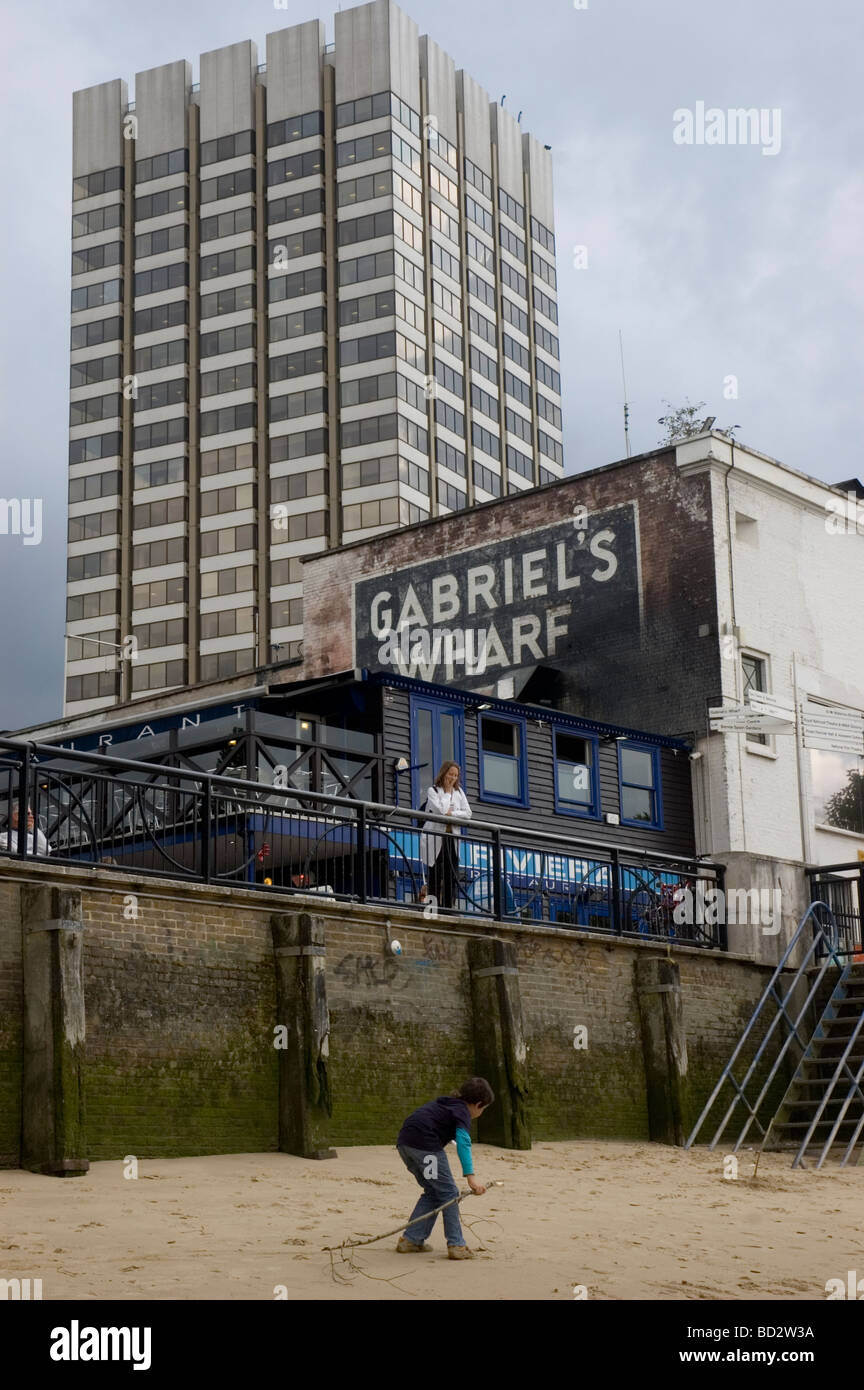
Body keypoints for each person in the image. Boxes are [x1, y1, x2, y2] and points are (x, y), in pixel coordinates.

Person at [395, 1077, 494, 1259]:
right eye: (484, 1109)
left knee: (434, 1191)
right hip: (425, 1148)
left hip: (405, 1145)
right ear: (478, 1104)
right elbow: (463, 1143)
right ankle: (457, 1245)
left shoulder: (447, 1104)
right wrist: (470, 1177)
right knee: (449, 1193)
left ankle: (411, 1240)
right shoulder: (463, 1112)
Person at [418, 761, 472, 909]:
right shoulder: (433, 791)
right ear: (444, 774)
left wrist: (452, 813)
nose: (453, 778)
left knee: (451, 874)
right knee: (435, 873)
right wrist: (448, 792)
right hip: (436, 837)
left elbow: (468, 813)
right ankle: (432, 907)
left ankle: (449, 907)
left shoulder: (460, 792)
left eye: (455, 775)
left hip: (451, 838)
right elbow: (440, 810)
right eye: (450, 774)